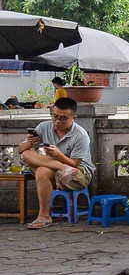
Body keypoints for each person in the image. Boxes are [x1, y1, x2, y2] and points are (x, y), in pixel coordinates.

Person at [17, 97, 95, 230]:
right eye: (55, 116)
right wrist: (30, 143)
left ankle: (44, 215)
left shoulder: (80, 135)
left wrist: (58, 155)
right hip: (56, 167)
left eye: (63, 118)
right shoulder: (44, 127)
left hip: (79, 173)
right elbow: (20, 150)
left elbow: (75, 164)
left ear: (73, 118)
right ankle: (63, 168)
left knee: (42, 170)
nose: (57, 121)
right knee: (26, 153)